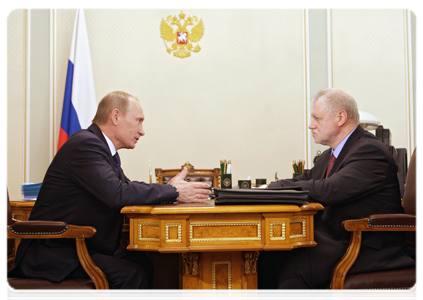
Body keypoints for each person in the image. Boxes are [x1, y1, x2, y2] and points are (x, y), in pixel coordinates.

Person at [7, 91, 211, 300]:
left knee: (143, 263)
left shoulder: (102, 148)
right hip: (53, 252)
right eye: (138, 121)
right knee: (131, 274)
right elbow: (117, 193)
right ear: (115, 116)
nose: (142, 131)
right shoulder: (86, 145)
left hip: (76, 247)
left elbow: (126, 186)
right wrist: (173, 191)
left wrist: (170, 190)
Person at [258, 88, 417, 300]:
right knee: (266, 260)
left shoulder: (370, 151)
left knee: (293, 273)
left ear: (340, 117)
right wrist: (269, 188)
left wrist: (275, 189)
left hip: (366, 244)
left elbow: (330, 190)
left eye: (317, 118)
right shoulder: (330, 154)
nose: (310, 125)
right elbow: (304, 181)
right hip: (336, 240)